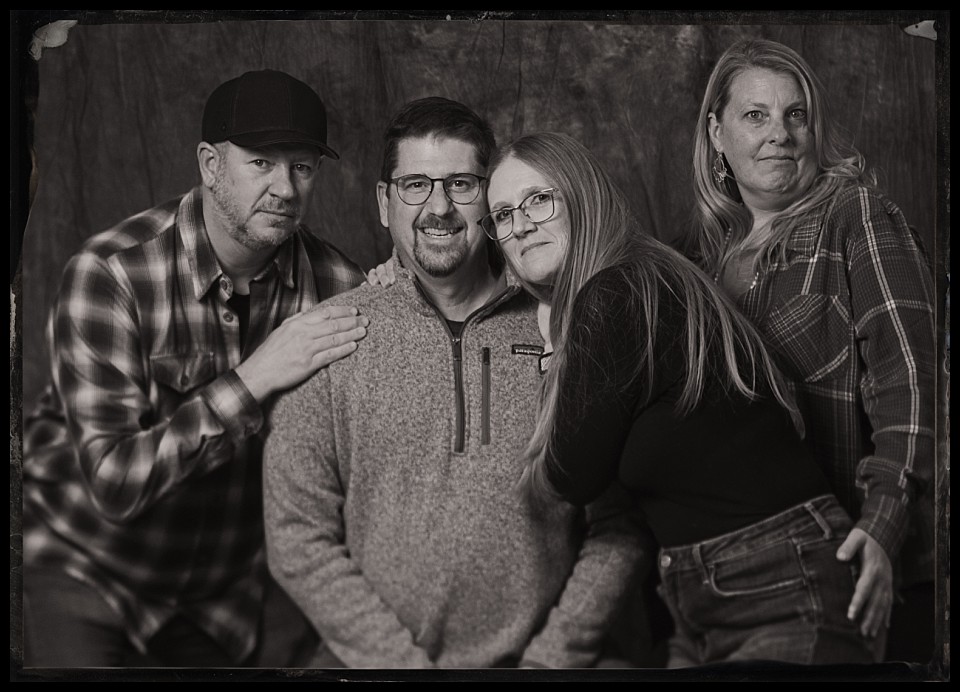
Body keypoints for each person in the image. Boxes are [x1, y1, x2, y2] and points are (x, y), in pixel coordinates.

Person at [262, 97, 646, 668]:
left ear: (490, 201)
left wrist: (550, 660)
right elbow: (296, 534)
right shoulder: (330, 338)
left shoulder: (568, 328)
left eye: (461, 184)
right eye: (415, 184)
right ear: (383, 203)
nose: (438, 208)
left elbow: (618, 522)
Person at [483, 130, 882, 666]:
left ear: (581, 197)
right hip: (707, 598)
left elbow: (569, 476)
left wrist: (553, 347)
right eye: (503, 215)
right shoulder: (640, 276)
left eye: (538, 199)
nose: (521, 223)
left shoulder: (616, 292)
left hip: (784, 584)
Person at [21, 69, 369, 667]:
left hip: (220, 597)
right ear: (210, 164)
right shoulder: (111, 274)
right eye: (261, 163)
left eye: (302, 167)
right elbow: (114, 483)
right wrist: (258, 376)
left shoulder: (340, 287)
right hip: (87, 571)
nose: (286, 188)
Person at [683, 38, 936, 662]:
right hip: (763, 575)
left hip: (865, 560)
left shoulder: (856, 216)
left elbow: (909, 377)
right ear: (716, 133)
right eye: (756, 115)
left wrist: (883, 526)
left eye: (796, 115)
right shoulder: (701, 264)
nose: (781, 134)